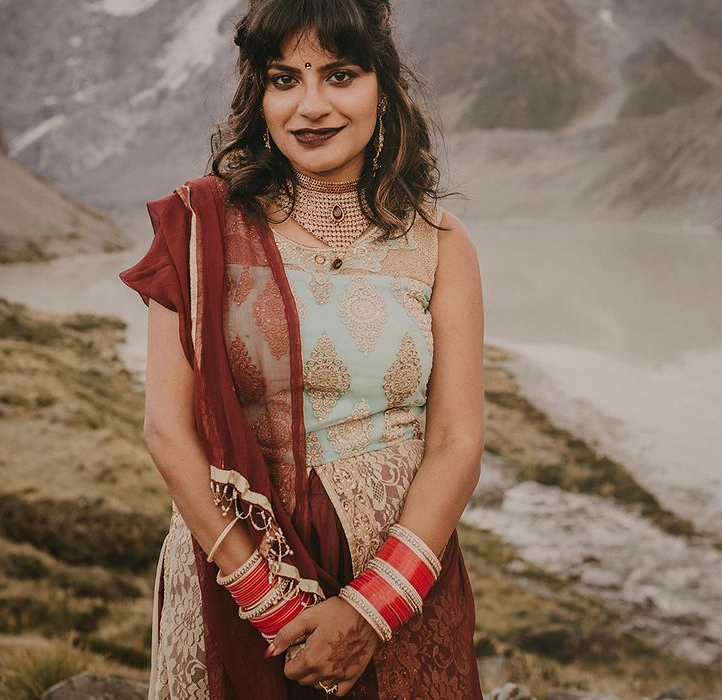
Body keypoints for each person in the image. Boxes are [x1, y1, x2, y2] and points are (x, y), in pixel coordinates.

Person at [119, 1, 485, 697]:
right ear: (258, 95)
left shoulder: (441, 243)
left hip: (399, 582)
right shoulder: (198, 232)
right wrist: (270, 601)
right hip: (235, 583)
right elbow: (167, 432)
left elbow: (457, 440)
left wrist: (370, 610)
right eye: (284, 79)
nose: (309, 106)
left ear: (383, 84)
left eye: (339, 75)